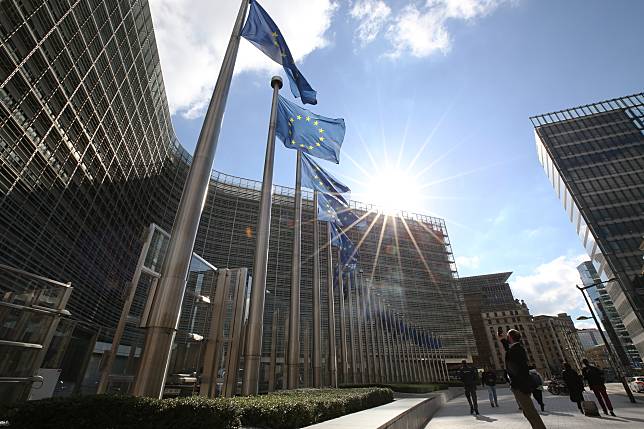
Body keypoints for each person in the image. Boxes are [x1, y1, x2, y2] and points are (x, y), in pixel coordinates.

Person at [498, 328, 546, 429]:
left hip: (520, 385)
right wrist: (502, 340)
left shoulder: (517, 350)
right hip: (520, 384)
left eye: (507, 336)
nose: (506, 337)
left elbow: (518, 368)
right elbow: (509, 350)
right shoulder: (516, 348)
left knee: (530, 412)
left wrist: (515, 383)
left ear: (510, 337)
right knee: (527, 411)